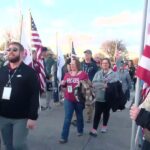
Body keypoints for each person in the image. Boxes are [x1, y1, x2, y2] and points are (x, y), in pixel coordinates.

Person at [0, 42, 39, 150]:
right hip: (3, 116)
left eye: (14, 50)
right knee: (8, 145)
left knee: (18, 145)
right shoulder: (2, 71)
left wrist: (32, 117)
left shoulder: (30, 72)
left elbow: (34, 95)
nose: (11, 52)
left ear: (22, 53)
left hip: (21, 117)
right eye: (9, 49)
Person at [59, 58, 89, 143]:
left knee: (79, 115)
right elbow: (63, 88)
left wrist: (82, 83)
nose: (71, 66)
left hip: (79, 99)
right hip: (68, 99)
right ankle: (64, 137)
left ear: (77, 65)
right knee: (67, 118)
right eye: (70, 64)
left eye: (73, 64)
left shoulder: (83, 74)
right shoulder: (67, 74)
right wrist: (63, 84)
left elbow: (89, 85)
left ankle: (80, 130)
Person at [89, 58, 119, 136]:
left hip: (109, 97)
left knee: (106, 113)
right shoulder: (98, 73)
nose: (105, 64)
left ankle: (104, 126)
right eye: (103, 63)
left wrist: (106, 85)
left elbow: (115, 84)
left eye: (106, 63)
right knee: (97, 114)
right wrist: (104, 85)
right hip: (99, 97)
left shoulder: (114, 74)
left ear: (109, 64)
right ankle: (94, 129)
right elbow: (93, 84)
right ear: (101, 65)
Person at [81, 49, 98, 123]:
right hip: (81, 84)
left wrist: (93, 83)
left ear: (91, 55)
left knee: (89, 102)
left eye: (88, 54)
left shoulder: (94, 65)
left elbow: (97, 75)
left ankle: (89, 117)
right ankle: (76, 117)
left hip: (90, 85)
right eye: (85, 54)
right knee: (79, 100)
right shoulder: (81, 64)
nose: (86, 56)